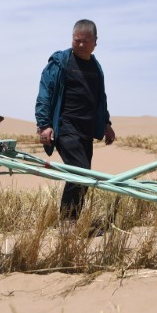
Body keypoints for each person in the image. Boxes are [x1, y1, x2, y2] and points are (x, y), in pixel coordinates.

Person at [35, 19, 116, 221]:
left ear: (95, 42)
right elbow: (45, 93)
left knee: (83, 177)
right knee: (81, 173)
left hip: (86, 129)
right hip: (65, 127)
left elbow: (100, 98)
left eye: (85, 41)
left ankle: (72, 220)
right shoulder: (60, 62)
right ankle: (67, 222)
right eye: (76, 40)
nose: (80, 44)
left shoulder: (96, 67)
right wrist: (44, 125)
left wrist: (106, 124)